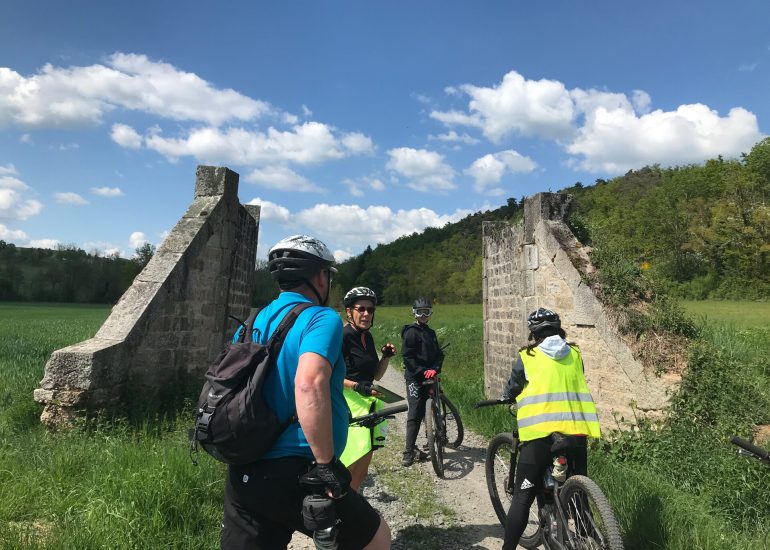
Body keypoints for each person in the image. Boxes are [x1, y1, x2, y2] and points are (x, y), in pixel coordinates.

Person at [220, 235, 391, 550]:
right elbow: (309, 382)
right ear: (319, 276)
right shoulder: (320, 318)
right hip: (295, 469)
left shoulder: (252, 321)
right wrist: (325, 463)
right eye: (327, 274)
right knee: (377, 539)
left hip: (245, 469)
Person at [500, 308, 601, 550]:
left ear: (533, 332)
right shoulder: (575, 353)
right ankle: (591, 539)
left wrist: (507, 396)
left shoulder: (527, 356)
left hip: (540, 435)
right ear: (559, 329)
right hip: (576, 431)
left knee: (522, 497)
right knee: (579, 493)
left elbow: (514, 386)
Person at [339, 287, 397, 491]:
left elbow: (376, 376)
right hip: (349, 404)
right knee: (349, 464)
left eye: (370, 310)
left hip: (368, 403)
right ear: (349, 311)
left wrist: (386, 357)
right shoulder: (342, 336)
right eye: (361, 309)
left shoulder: (367, 337)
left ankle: (351, 510)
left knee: (362, 470)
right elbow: (328, 375)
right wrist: (356, 386)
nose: (366, 314)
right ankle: (340, 511)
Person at [400, 297, 444, 467]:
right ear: (414, 313)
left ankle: (431, 439)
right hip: (415, 378)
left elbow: (439, 354)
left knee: (433, 407)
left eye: (426, 312)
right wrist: (421, 371)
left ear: (430, 313)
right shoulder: (411, 332)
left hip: (430, 375)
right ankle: (409, 451)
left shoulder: (431, 333)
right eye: (420, 312)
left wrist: (435, 368)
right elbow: (408, 357)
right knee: (416, 411)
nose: (423, 315)